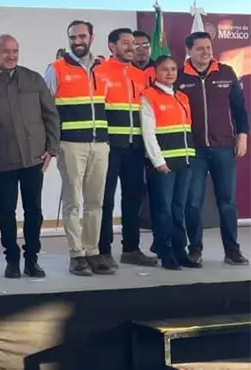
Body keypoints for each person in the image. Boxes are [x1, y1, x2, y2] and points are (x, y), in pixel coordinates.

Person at [0, 34, 59, 279]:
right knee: (6, 212)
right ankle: (12, 260)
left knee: (33, 211)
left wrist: (52, 148)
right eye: (6, 51)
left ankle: (32, 259)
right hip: (4, 157)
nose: (11, 55)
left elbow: (50, 114)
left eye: (15, 50)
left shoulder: (33, 78)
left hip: (34, 157)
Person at [44, 20, 114, 276]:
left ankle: (92, 251)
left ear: (91, 38)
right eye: (73, 37)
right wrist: (52, 144)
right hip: (70, 144)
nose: (77, 41)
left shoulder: (104, 68)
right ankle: (76, 254)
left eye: (82, 36)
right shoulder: (55, 69)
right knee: (73, 200)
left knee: (96, 202)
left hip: (100, 144)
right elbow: (47, 110)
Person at [175, 31, 249, 266]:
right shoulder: (178, 76)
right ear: (188, 51)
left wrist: (242, 136)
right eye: (200, 48)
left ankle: (232, 250)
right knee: (193, 202)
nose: (206, 52)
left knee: (227, 201)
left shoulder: (226, 72)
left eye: (208, 47)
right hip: (193, 150)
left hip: (224, 147)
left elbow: (239, 108)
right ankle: (195, 249)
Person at [93, 28, 158, 268]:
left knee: (133, 199)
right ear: (112, 46)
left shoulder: (139, 75)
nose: (132, 47)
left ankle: (131, 249)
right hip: (108, 147)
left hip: (135, 148)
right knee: (105, 200)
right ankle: (103, 250)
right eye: (125, 43)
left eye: (134, 43)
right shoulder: (98, 71)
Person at [140, 55, 197, 270]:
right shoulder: (148, 96)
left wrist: (190, 157)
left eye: (173, 69)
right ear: (155, 72)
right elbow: (149, 134)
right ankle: (165, 252)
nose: (170, 73)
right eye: (165, 69)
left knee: (178, 208)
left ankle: (179, 250)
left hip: (184, 161)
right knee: (163, 209)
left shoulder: (182, 97)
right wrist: (158, 161)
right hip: (163, 164)